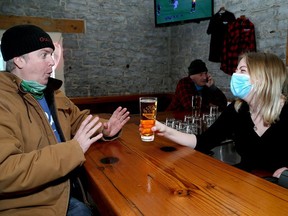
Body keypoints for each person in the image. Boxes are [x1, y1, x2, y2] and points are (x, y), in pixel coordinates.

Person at [0, 24, 130, 215]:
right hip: (33, 205)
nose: (52, 62)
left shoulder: (52, 92)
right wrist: (73, 149)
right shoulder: (3, 100)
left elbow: (77, 120)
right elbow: (5, 172)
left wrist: (105, 128)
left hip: (68, 188)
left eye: (51, 54)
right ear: (19, 60)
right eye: (44, 54)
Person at [146, 52, 288, 188]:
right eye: (236, 70)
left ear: (264, 78)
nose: (235, 75)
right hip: (245, 184)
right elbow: (203, 142)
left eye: (242, 71)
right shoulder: (237, 110)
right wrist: (165, 130)